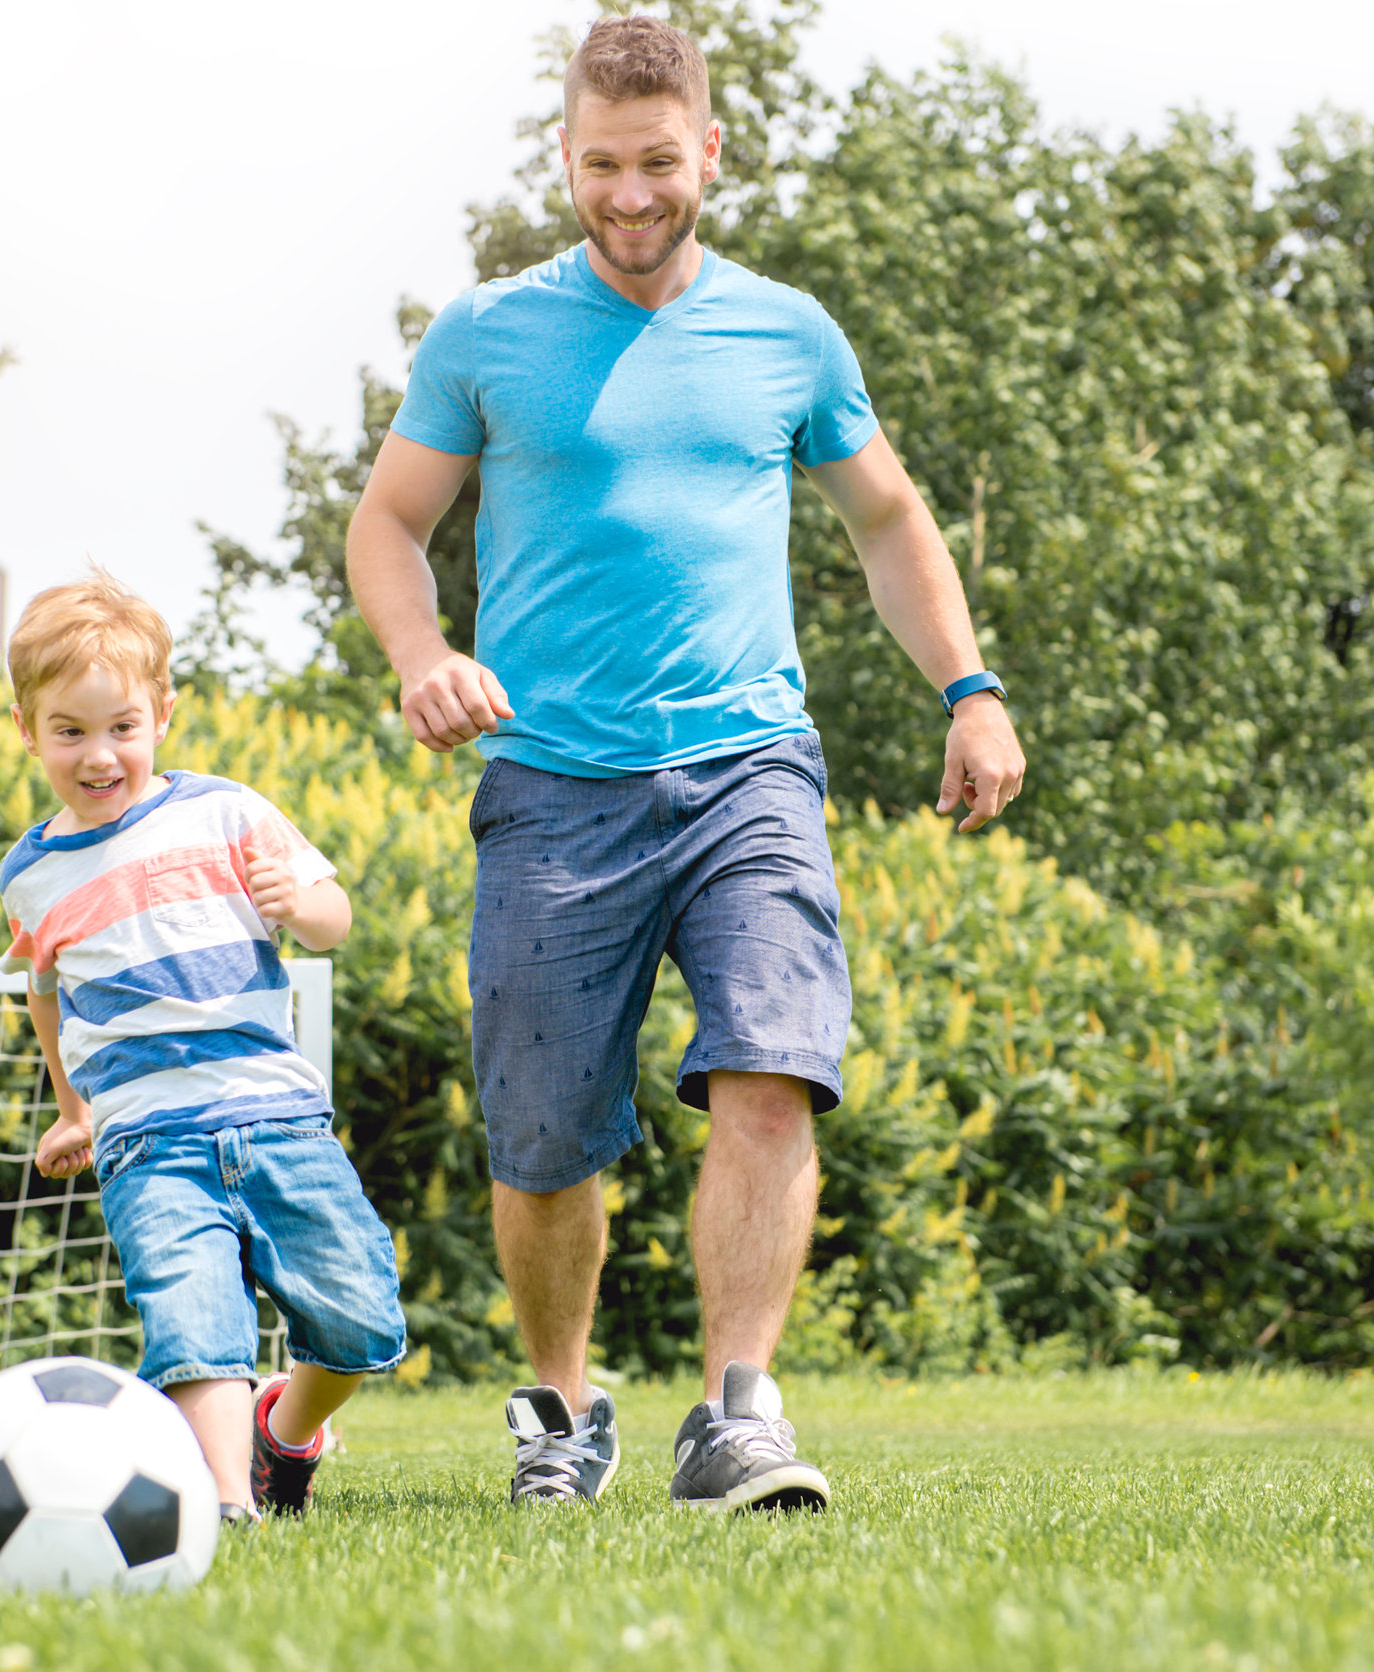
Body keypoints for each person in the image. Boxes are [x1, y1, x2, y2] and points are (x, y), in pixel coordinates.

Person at [346, 16, 1026, 1512]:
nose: (632, 194)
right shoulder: (486, 335)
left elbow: (889, 518)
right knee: (539, 1134)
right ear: (565, 158)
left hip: (747, 767)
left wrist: (971, 689)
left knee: (774, 1065)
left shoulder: (789, 333)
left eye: (659, 164)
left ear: (710, 152)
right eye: (602, 166)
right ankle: (563, 1410)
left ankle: (737, 1413)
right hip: (552, 782)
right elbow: (388, 523)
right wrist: (421, 657)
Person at [0, 571, 407, 1522]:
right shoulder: (29, 874)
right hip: (147, 1143)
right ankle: (228, 1503)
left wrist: (298, 906)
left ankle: (286, 1433)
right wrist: (74, 1109)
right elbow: (47, 990)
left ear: (163, 715)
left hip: (279, 1119)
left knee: (360, 1318)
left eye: (122, 728)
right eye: (70, 732)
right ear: (27, 729)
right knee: (195, 1328)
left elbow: (333, 922)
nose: (99, 755)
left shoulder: (227, 812)